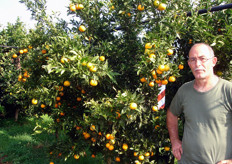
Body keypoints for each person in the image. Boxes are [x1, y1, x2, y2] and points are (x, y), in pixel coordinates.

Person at [166, 43, 232, 164]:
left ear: (213, 61)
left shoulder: (228, 90)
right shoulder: (184, 91)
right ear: (189, 64)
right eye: (193, 60)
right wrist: (174, 141)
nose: (198, 64)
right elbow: (171, 114)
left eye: (203, 59)